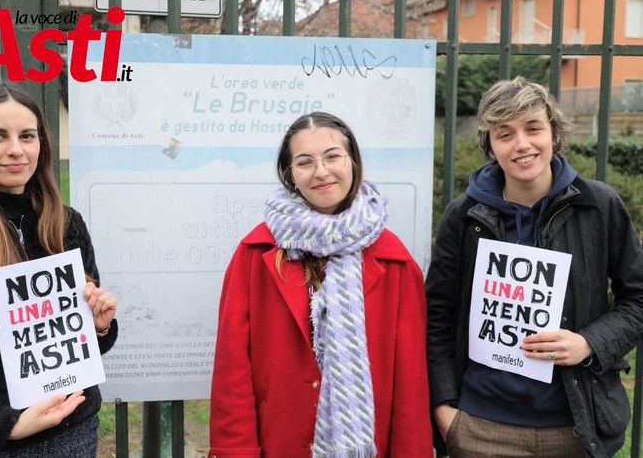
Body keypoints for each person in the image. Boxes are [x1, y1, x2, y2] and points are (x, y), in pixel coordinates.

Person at [425, 76, 643, 458]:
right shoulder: (462, 216)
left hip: (574, 425)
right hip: (480, 427)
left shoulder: (599, 205)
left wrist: (590, 343)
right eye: (504, 133)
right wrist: (445, 409)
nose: (522, 144)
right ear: (490, 145)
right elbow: (437, 315)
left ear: (554, 134)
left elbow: (637, 298)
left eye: (533, 129)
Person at [208, 111, 432, 457]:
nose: (322, 171)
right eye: (305, 162)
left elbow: (410, 385)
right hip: (278, 444)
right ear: (291, 174)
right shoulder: (255, 254)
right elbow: (232, 369)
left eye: (332, 156)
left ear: (353, 162)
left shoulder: (396, 262)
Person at [0, 82, 118, 457]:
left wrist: (99, 326)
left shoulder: (65, 223)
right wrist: (5, 425)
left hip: (75, 429)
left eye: (27, 136)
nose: (16, 150)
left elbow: (73, 342)